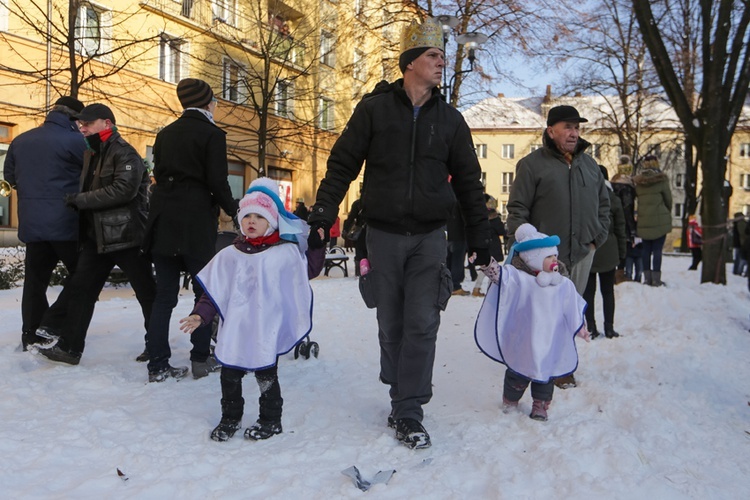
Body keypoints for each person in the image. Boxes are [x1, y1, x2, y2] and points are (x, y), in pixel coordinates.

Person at [306, 16, 489, 449]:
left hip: (430, 237)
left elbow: (469, 184)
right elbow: (342, 165)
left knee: (423, 322)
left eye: (443, 54)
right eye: (433, 55)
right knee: (391, 323)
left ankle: (409, 409)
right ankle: (398, 384)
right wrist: (322, 213)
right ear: (410, 62)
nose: (442, 62)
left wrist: (482, 240)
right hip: (383, 235)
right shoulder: (374, 110)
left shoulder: (450, 120)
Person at [178, 178, 325, 442]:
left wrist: (315, 246)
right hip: (235, 329)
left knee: (266, 375)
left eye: (259, 216)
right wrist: (201, 314)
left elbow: (306, 272)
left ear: (271, 220)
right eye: (247, 216)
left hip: (265, 328)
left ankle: (270, 419)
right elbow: (215, 293)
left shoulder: (284, 253)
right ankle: (230, 418)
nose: (252, 221)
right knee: (230, 376)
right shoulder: (229, 255)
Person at [34, 103, 156, 366]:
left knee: (147, 293)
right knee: (80, 290)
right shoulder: (92, 152)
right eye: (80, 124)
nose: (82, 128)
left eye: (87, 124)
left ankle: (156, 347)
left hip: (127, 236)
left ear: (107, 124)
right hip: (97, 237)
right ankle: (69, 348)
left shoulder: (125, 153)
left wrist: (81, 200)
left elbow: (123, 191)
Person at [141, 78, 239, 382]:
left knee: (164, 296)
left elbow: (158, 173)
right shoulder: (212, 134)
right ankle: (200, 358)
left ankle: (157, 364)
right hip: (196, 222)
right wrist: (235, 212)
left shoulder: (165, 134)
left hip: (164, 221)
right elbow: (217, 181)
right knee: (204, 291)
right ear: (207, 102)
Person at [475, 223, 590, 421]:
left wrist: (581, 326)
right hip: (524, 339)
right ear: (533, 259)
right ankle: (510, 400)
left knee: (546, 376)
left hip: (550, 341)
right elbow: (501, 277)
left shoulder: (561, 283)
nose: (554, 260)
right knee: (517, 373)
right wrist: (486, 262)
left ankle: (541, 405)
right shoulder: (521, 279)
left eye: (555, 256)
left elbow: (572, 306)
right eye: (548, 257)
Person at [3, 96, 86, 350]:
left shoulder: (20, 140)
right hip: (67, 224)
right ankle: (52, 322)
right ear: (74, 118)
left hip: (33, 224)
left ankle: (30, 333)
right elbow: (93, 175)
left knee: (35, 281)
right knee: (83, 276)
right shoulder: (76, 141)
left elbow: (10, 178)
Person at [506, 105, 610, 295]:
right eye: (568, 127)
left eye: (577, 128)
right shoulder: (531, 165)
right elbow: (517, 210)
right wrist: (525, 251)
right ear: (551, 131)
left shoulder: (591, 165)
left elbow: (604, 205)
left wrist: (596, 240)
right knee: (546, 318)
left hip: (582, 254)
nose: (574, 133)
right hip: (544, 259)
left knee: (573, 314)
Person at [583, 166, 627, 339]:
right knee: (608, 291)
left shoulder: (584, 198)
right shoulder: (613, 200)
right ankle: (609, 328)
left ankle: (591, 327)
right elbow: (620, 229)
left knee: (588, 292)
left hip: (589, 250)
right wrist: (622, 254)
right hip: (609, 251)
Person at [633, 155, 672, 287]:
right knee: (657, 250)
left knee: (645, 250)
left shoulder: (639, 182)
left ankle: (647, 278)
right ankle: (656, 279)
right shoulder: (661, 180)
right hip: (659, 220)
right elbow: (668, 200)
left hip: (644, 221)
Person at [610, 155, 638, 283]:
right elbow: (627, 208)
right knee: (623, 246)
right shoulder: (627, 185)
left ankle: (614, 274)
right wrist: (632, 228)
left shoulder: (612, 182)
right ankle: (620, 275)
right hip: (623, 221)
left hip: (611, 219)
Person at [472, 195, 505, 297]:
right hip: (493, 246)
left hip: (485, 245)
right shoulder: (495, 220)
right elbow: (502, 231)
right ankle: (483, 288)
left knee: (486, 266)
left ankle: (479, 288)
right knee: (491, 268)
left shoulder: (481, 218)